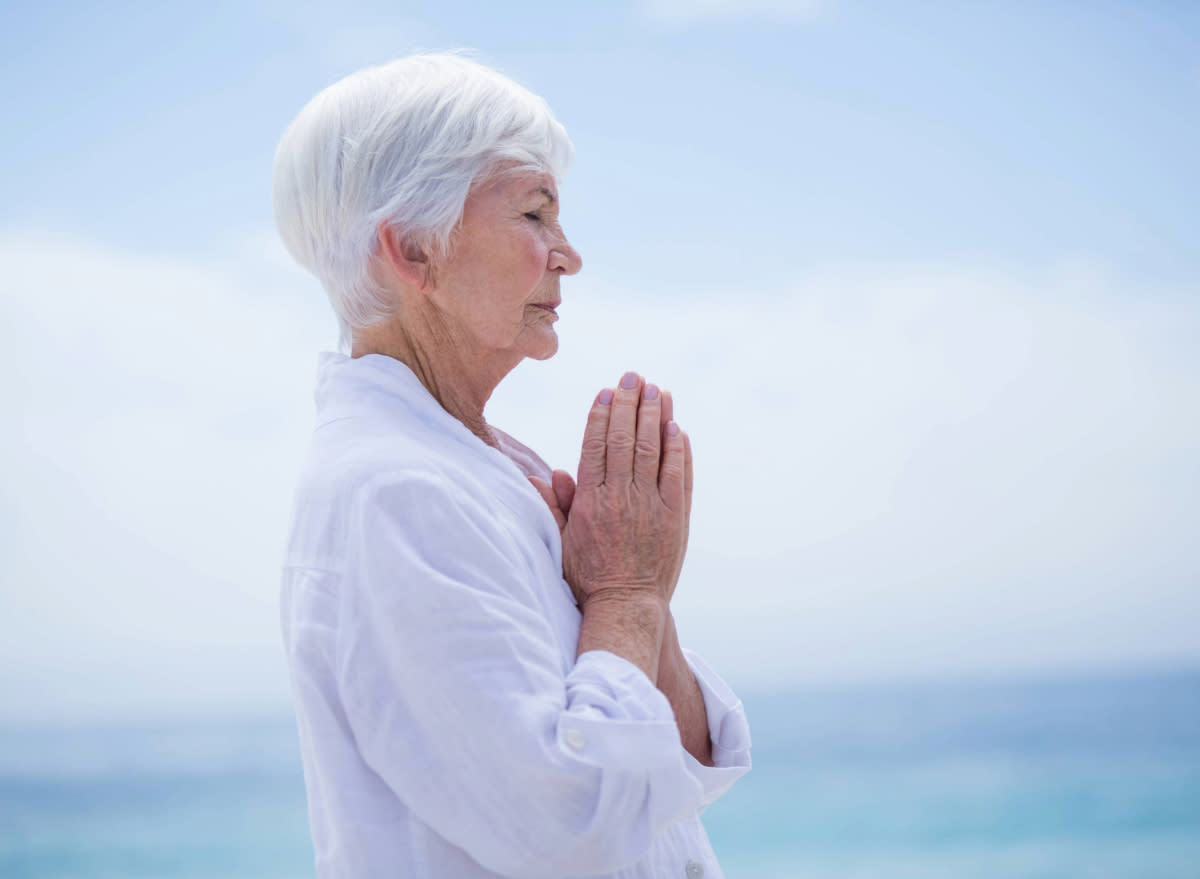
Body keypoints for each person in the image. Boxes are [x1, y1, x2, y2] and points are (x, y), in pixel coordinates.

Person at [273, 53, 751, 879]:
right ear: (415, 250)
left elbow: (679, 767)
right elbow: (574, 832)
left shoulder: (474, 465)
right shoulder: (394, 493)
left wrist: (630, 597)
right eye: (534, 213)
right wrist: (628, 596)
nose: (567, 255)